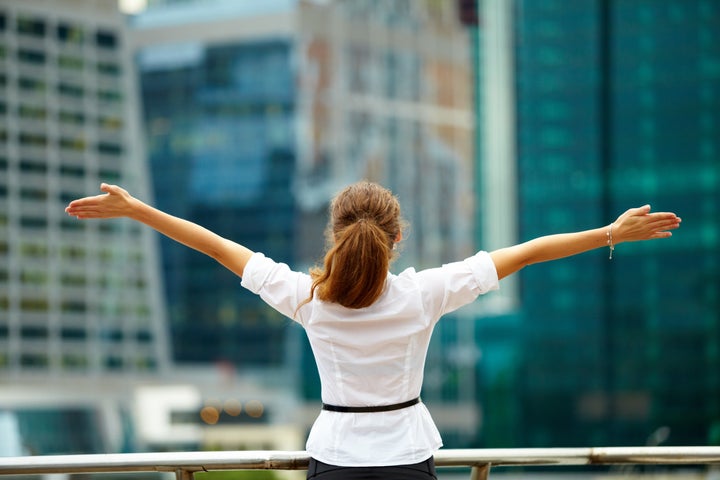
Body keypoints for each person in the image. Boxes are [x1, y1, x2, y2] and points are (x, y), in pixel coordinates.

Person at [66, 181, 681, 480]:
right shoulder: (424, 293)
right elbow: (524, 253)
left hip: (333, 460)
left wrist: (137, 209)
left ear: (335, 234)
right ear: (397, 238)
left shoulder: (309, 297)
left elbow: (217, 247)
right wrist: (607, 234)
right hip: (408, 460)